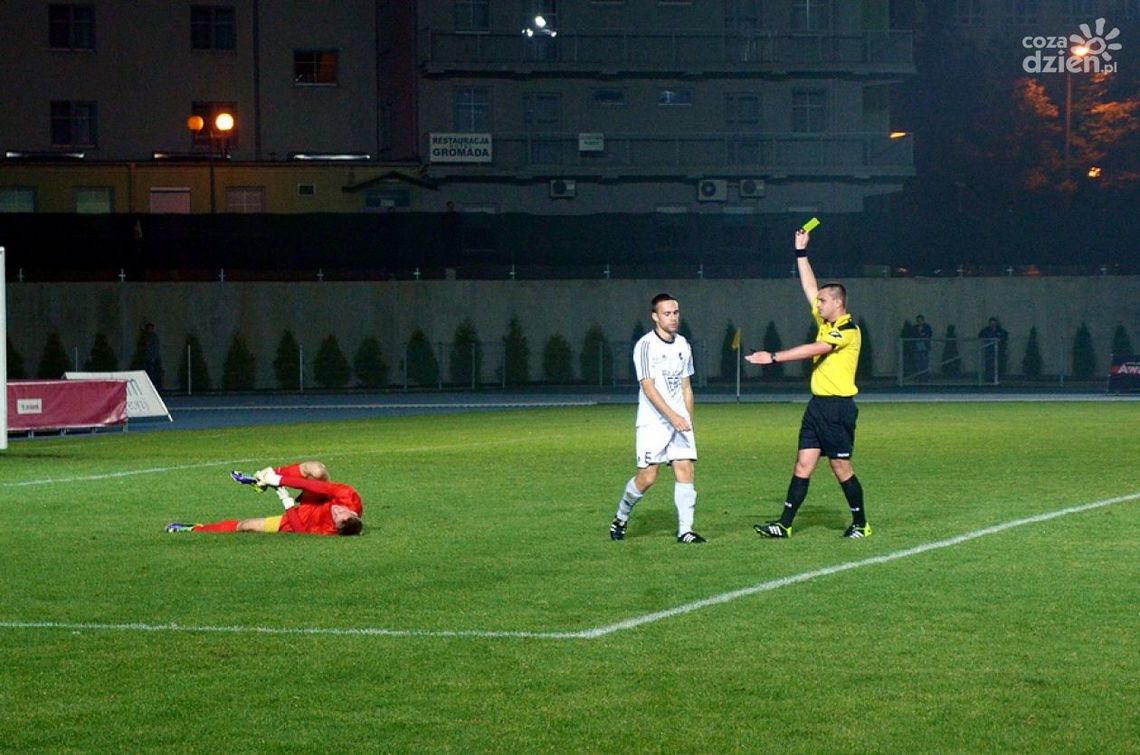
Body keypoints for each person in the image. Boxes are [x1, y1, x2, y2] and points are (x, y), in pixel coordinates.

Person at [746, 227, 870, 538]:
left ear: (838, 303)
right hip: (817, 407)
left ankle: (861, 524)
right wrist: (801, 252)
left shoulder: (848, 329)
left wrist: (773, 357)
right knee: (803, 465)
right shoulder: (827, 320)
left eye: (824, 301)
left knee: (841, 468)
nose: (819, 303)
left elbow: (817, 348)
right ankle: (783, 525)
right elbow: (809, 286)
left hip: (838, 408)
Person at [609, 293, 706, 544]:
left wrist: (688, 420)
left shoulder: (683, 345)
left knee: (685, 469)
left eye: (675, 313)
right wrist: (673, 416)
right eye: (667, 314)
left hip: (679, 421)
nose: (673, 318)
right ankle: (621, 515)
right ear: (655, 317)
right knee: (647, 478)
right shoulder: (645, 345)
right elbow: (648, 387)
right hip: (653, 423)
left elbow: (686, 386)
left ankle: (686, 530)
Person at [166, 461, 363, 536]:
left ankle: (193, 528)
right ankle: (264, 477)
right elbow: (317, 486)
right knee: (317, 470)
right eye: (339, 511)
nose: (335, 511)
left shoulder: (329, 530)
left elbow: (300, 531)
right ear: (352, 512)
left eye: (335, 516)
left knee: (246, 525)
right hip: (318, 497)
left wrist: (286, 500)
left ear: (335, 527)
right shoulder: (350, 497)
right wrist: (279, 478)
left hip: (302, 517)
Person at [977, 317, 1009, 382]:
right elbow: (980, 336)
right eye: (991, 323)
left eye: (994, 323)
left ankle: (998, 378)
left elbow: (1005, 336)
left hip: (999, 351)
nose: (993, 324)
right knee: (989, 364)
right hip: (989, 351)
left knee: (999, 364)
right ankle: (989, 378)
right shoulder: (986, 330)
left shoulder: (1000, 330)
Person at [142, 322, 163, 390]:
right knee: (149, 374)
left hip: (152, 358)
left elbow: (154, 348)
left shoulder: (153, 337)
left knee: (153, 374)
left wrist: (153, 357)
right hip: (148, 358)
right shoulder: (146, 337)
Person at [914, 314, 933, 379]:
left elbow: (929, 334)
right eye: (918, 321)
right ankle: (919, 376)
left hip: (925, 346)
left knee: (925, 361)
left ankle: (925, 376)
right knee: (918, 362)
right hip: (917, 346)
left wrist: (923, 336)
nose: (919, 322)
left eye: (921, 320)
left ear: (923, 320)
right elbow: (913, 335)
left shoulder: (927, 327)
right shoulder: (914, 327)